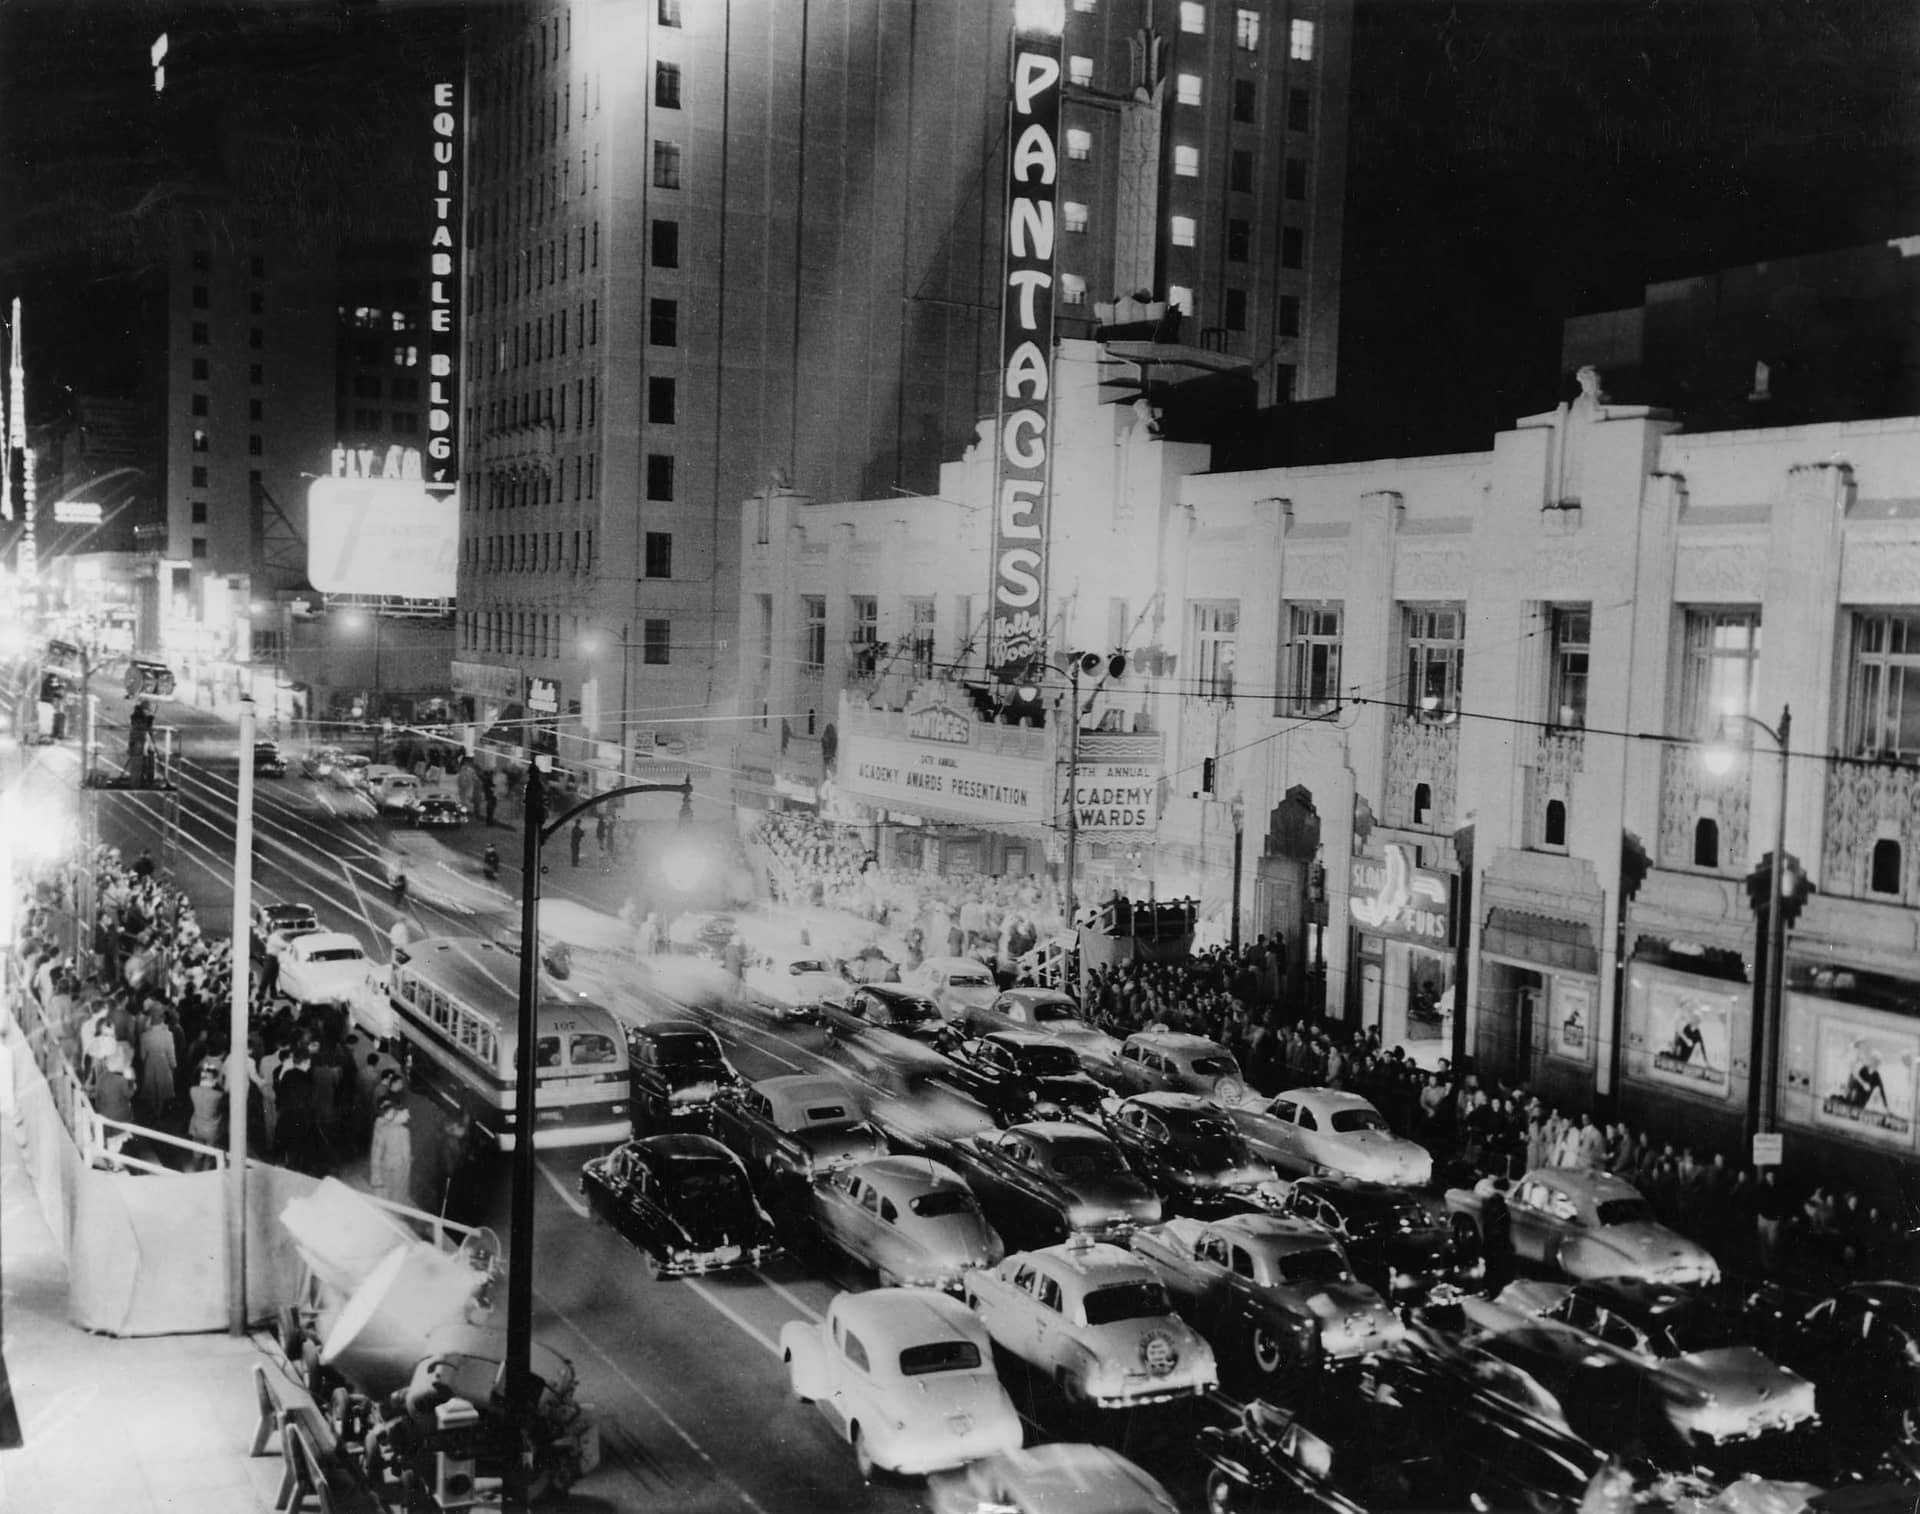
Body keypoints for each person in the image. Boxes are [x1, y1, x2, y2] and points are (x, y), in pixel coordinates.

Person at [369, 1090, 413, 1206]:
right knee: (393, 1197)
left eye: (392, 1108)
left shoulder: (389, 1123)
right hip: (392, 1169)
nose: (391, 1111)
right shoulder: (382, 1125)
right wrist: (376, 1176)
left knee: (392, 1196)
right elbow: (376, 1153)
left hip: (390, 1167)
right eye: (387, 1109)